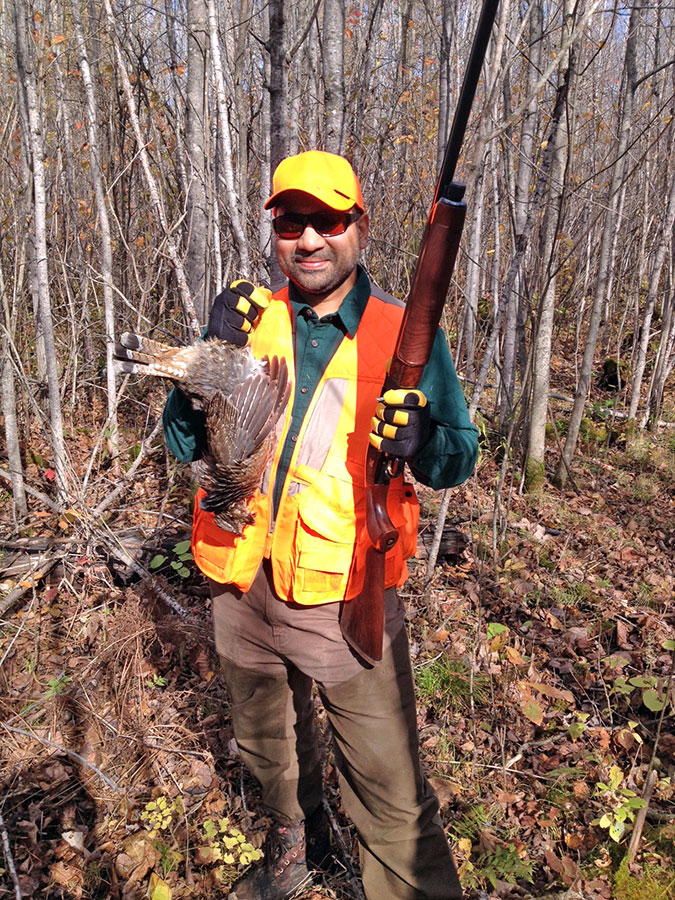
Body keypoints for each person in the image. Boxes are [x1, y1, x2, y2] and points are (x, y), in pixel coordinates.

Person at [163, 150, 478, 900]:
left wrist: (421, 440)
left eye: (327, 220)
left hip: (347, 594)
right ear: (273, 230)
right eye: (290, 221)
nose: (308, 239)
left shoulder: (405, 334)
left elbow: (457, 457)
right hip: (242, 585)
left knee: (391, 792)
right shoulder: (249, 321)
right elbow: (183, 442)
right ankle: (291, 854)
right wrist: (207, 361)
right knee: (269, 752)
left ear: (357, 227)